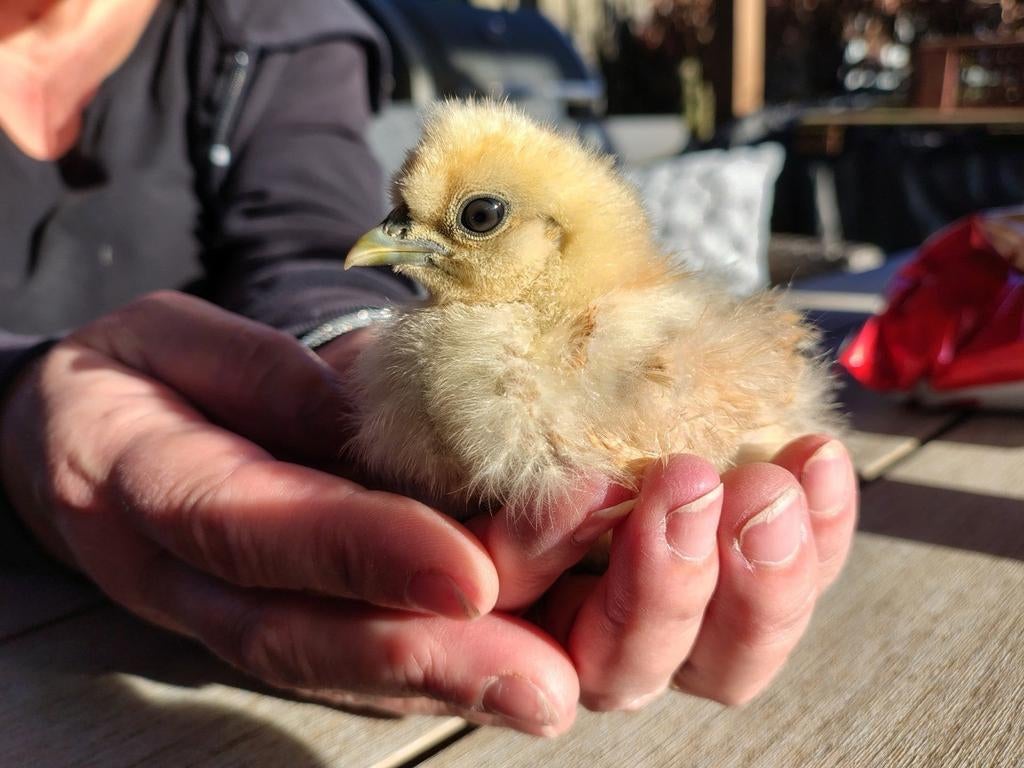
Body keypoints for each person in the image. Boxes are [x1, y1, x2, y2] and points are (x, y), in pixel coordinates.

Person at [0, 0, 858, 737]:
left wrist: (341, 342)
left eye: (475, 218)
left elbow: (298, 245)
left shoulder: (272, 22)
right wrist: (15, 407)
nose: (400, 237)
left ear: (560, 235)